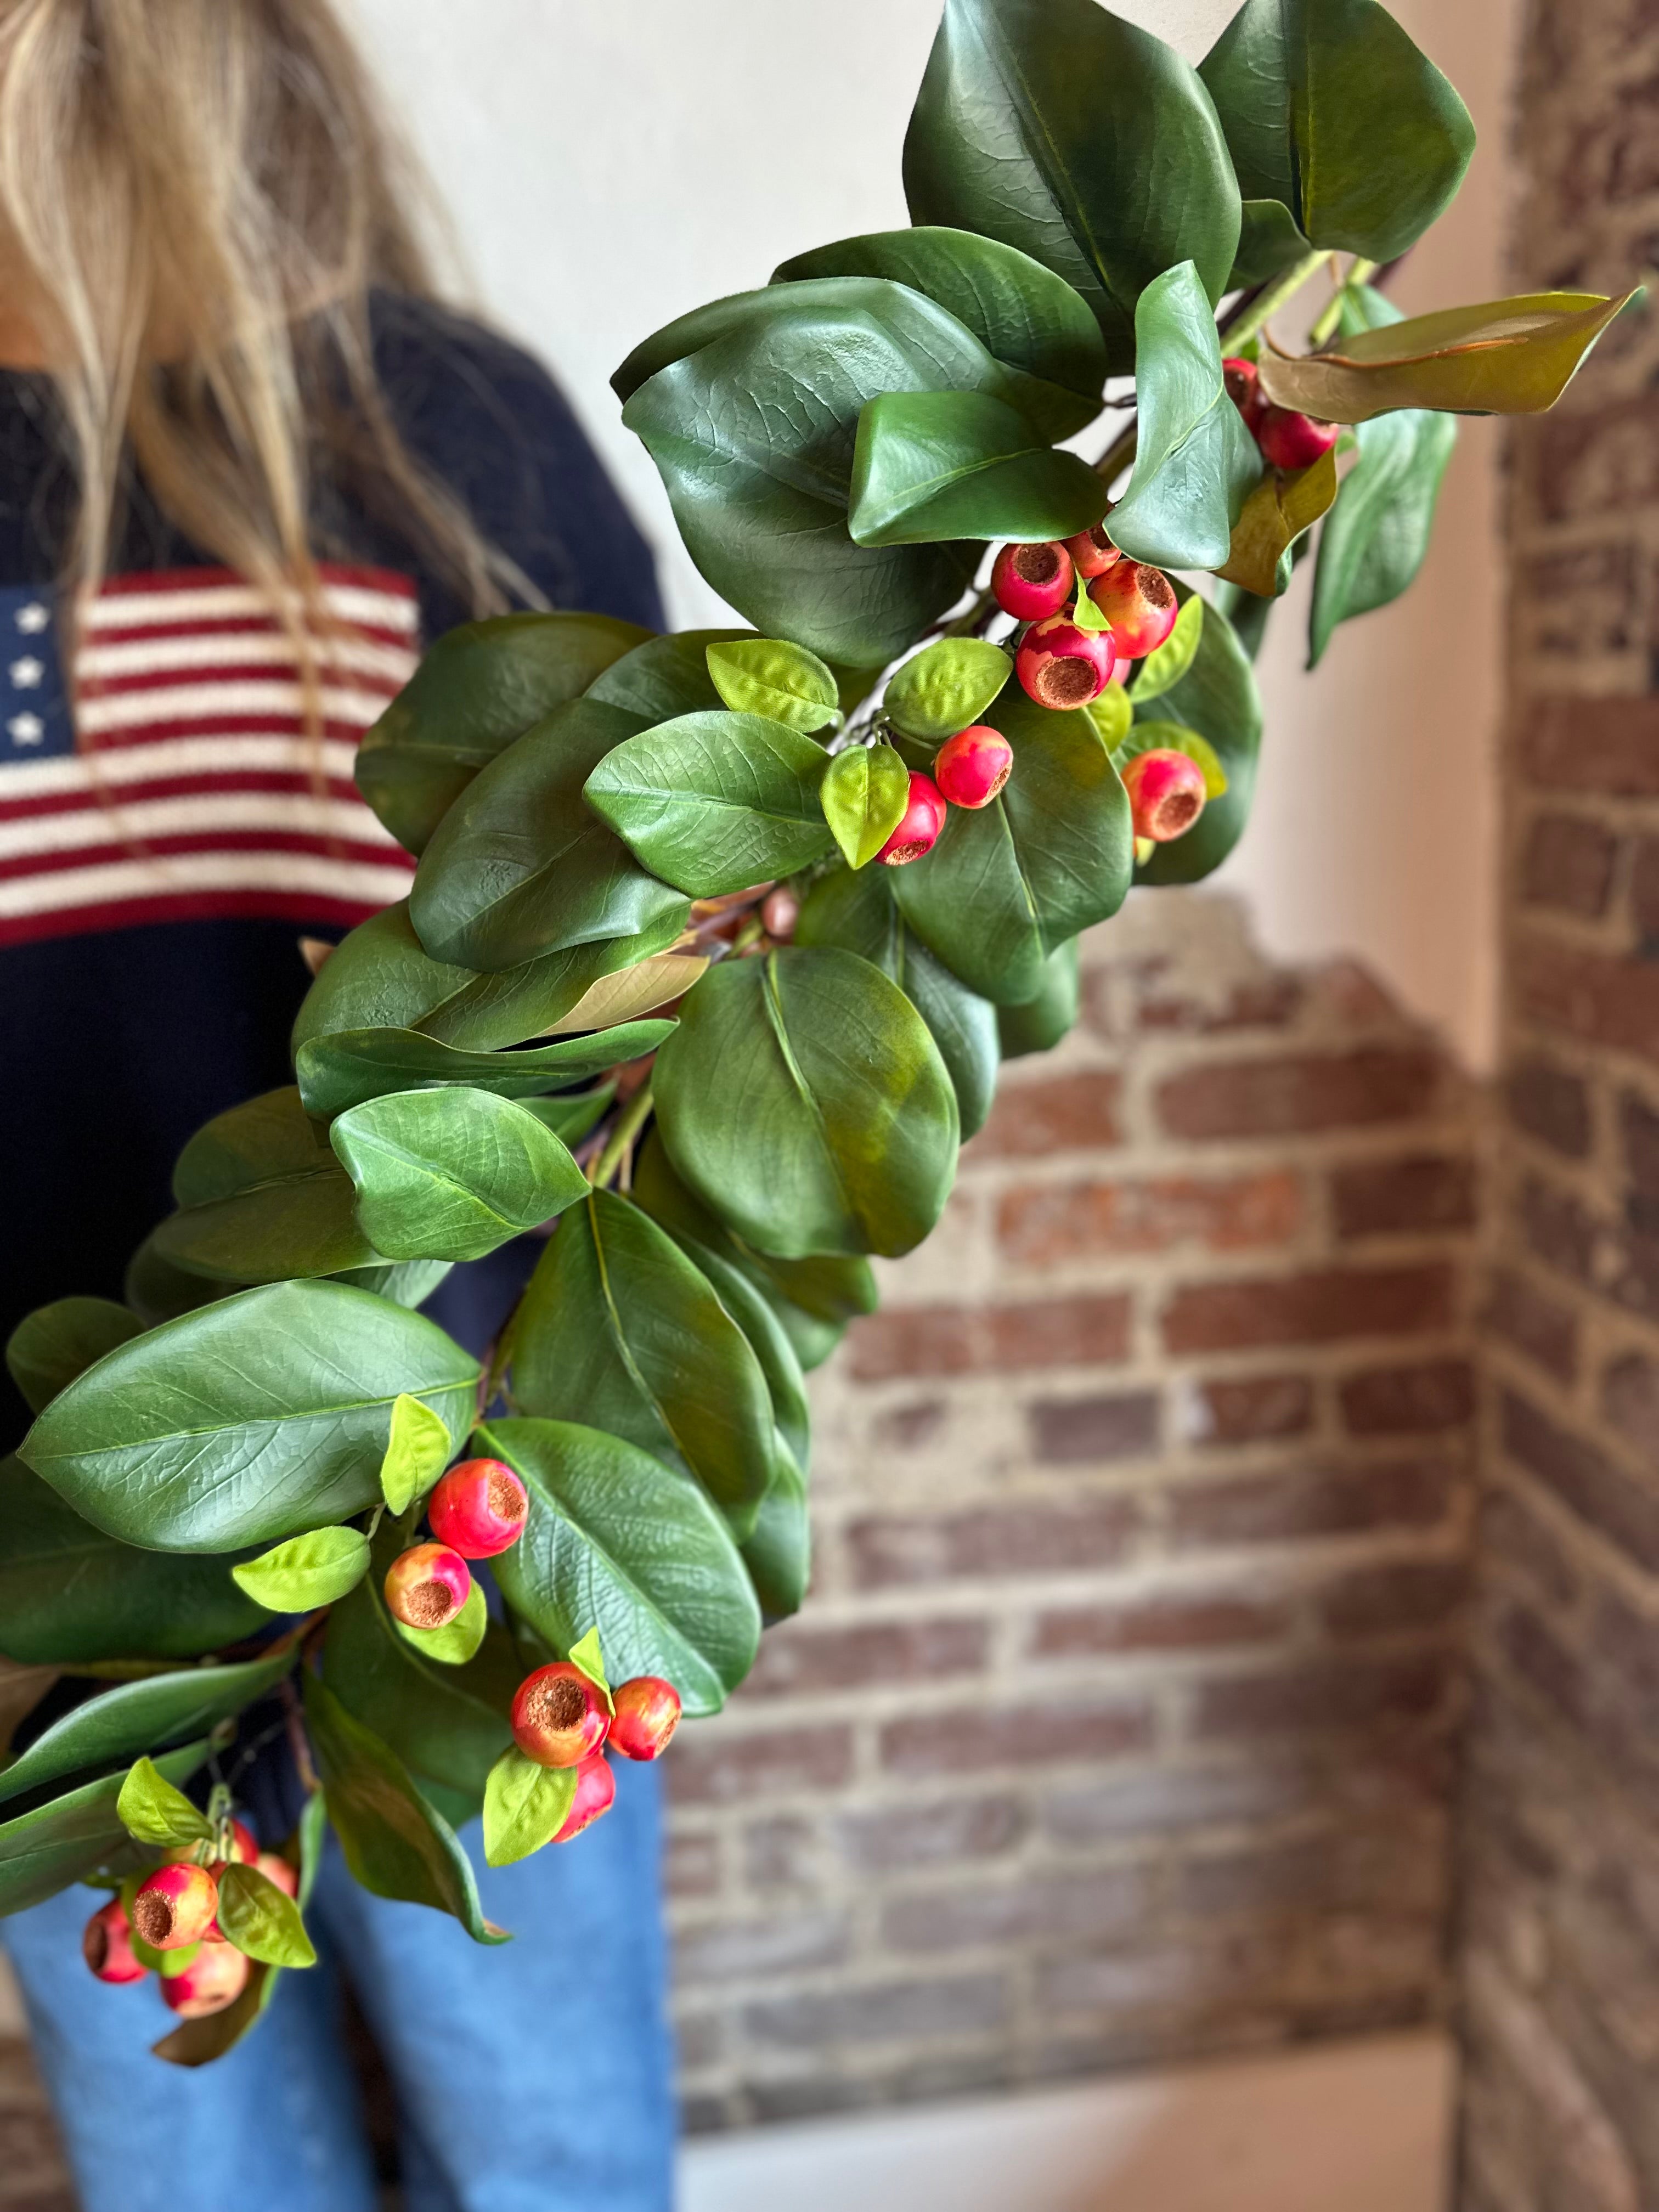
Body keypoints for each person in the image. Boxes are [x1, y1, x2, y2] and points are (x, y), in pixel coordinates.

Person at [0, 3, 676, 2207]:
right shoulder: (476, 433)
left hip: (126, 1564)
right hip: (435, 1528)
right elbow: (660, 1015)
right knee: (542, 2138)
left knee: (204, 2158)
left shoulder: (463, 427)